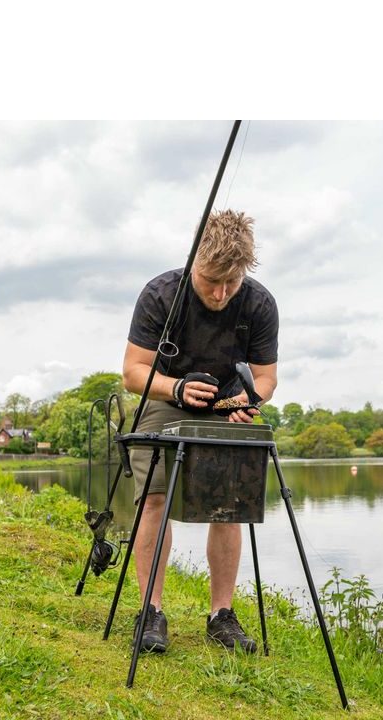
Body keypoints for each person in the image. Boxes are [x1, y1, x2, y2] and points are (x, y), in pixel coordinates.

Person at [121, 209, 278, 654]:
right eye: (211, 280)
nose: (221, 292)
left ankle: (221, 616)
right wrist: (177, 386)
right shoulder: (160, 294)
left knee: (228, 505)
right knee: (154, 498)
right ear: (194, 262)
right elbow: (133, 372)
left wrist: (250, 401)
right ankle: (151, 611)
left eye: (231, 283)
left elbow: (267, 378)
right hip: (163, 397)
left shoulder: (259, 304)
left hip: (227, 406)